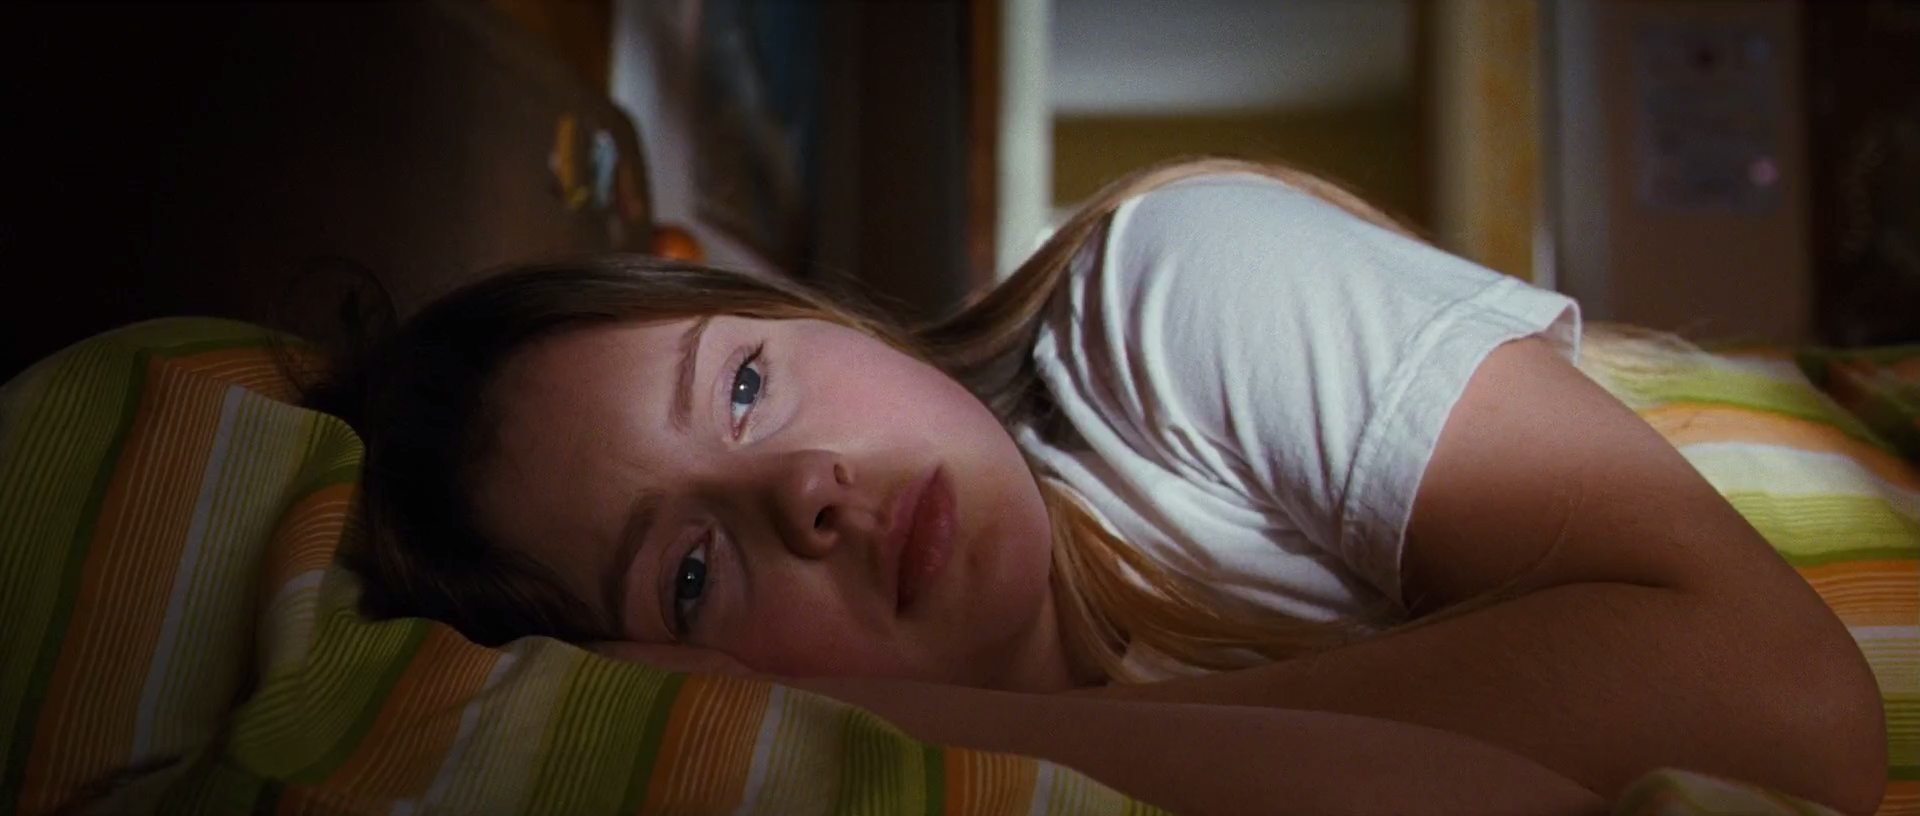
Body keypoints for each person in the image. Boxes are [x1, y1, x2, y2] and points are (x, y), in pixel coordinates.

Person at [306, 159, 1883, 814]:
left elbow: (1795, 715)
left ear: (813, 315)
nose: (810, 491)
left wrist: (953, 722)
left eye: (743, 383)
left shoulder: (1170, 300)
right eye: (692, 574)